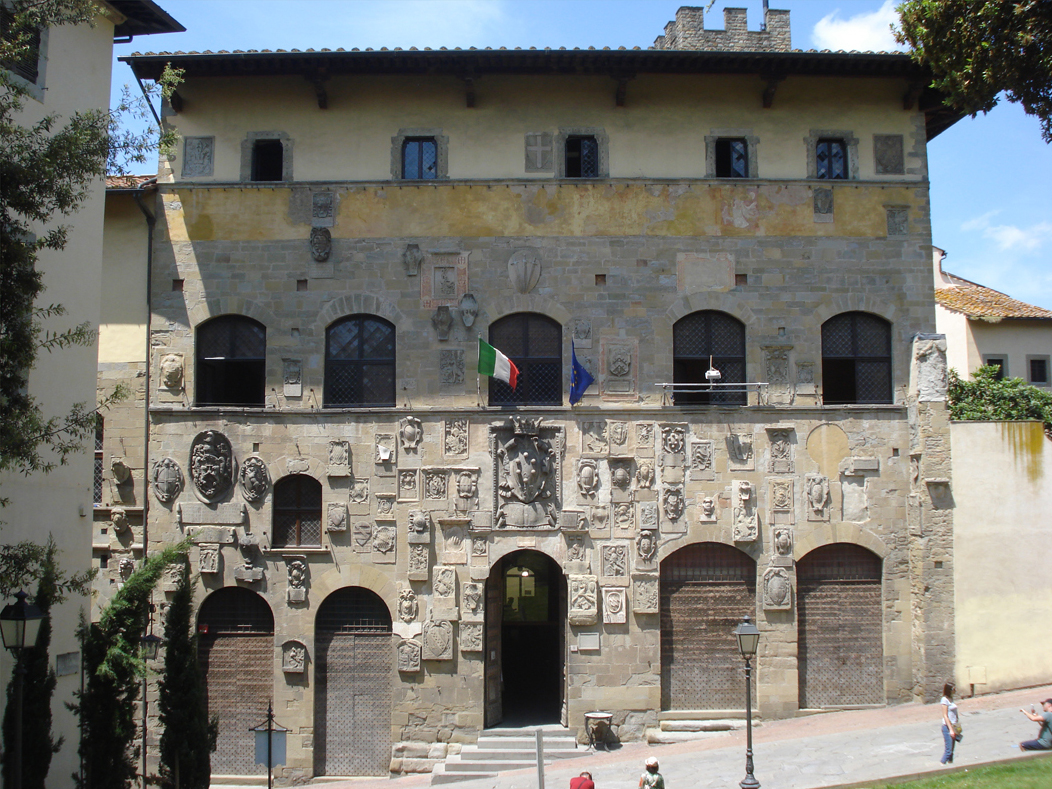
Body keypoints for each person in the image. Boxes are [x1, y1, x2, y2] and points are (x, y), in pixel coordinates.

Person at [939, 681, 960, 765]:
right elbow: (945, 715)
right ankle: (942, 764)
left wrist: (957, 723)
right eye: (954, 689)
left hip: (954, 725)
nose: (955, 690)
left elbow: (955, 712)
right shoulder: (944, 700)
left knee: (952, 751)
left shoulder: (951, 699)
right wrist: (951, 729)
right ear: (949, 690)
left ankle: (950, 764)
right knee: (948, 750)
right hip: (947, 727)